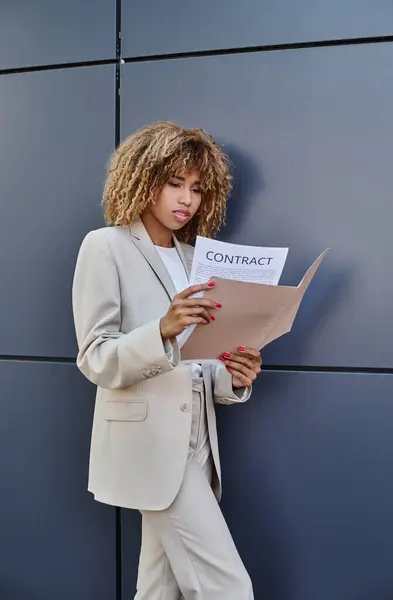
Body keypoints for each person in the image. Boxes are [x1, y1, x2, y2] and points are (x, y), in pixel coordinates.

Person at [72, 121, 261, 599]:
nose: (187, 199)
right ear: (143, 177)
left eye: (197, 188)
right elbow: (96, 358)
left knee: (160, 589)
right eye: (175, 182)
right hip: (151, 444)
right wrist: (161, 329)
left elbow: (195, 359)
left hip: (199, 441)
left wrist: (232, 375)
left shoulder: (196, 257)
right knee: (228, 588)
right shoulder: (105, 246)